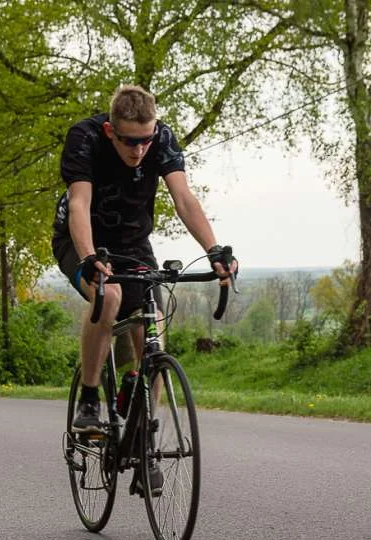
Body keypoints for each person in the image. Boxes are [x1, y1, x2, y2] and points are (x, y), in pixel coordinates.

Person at [52, 85, 236, 490]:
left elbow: (184, 198)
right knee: (111, 294)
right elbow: (79, 204)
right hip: (80, 239)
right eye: (131, 142)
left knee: (151, 330)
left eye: (146, 140)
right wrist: (88, 258)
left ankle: (143, 438)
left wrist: (214, 250)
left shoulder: (161, 139)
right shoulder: (84, 137)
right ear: (110, 132)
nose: (140, 150)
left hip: (133, 244)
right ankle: (88, 396)